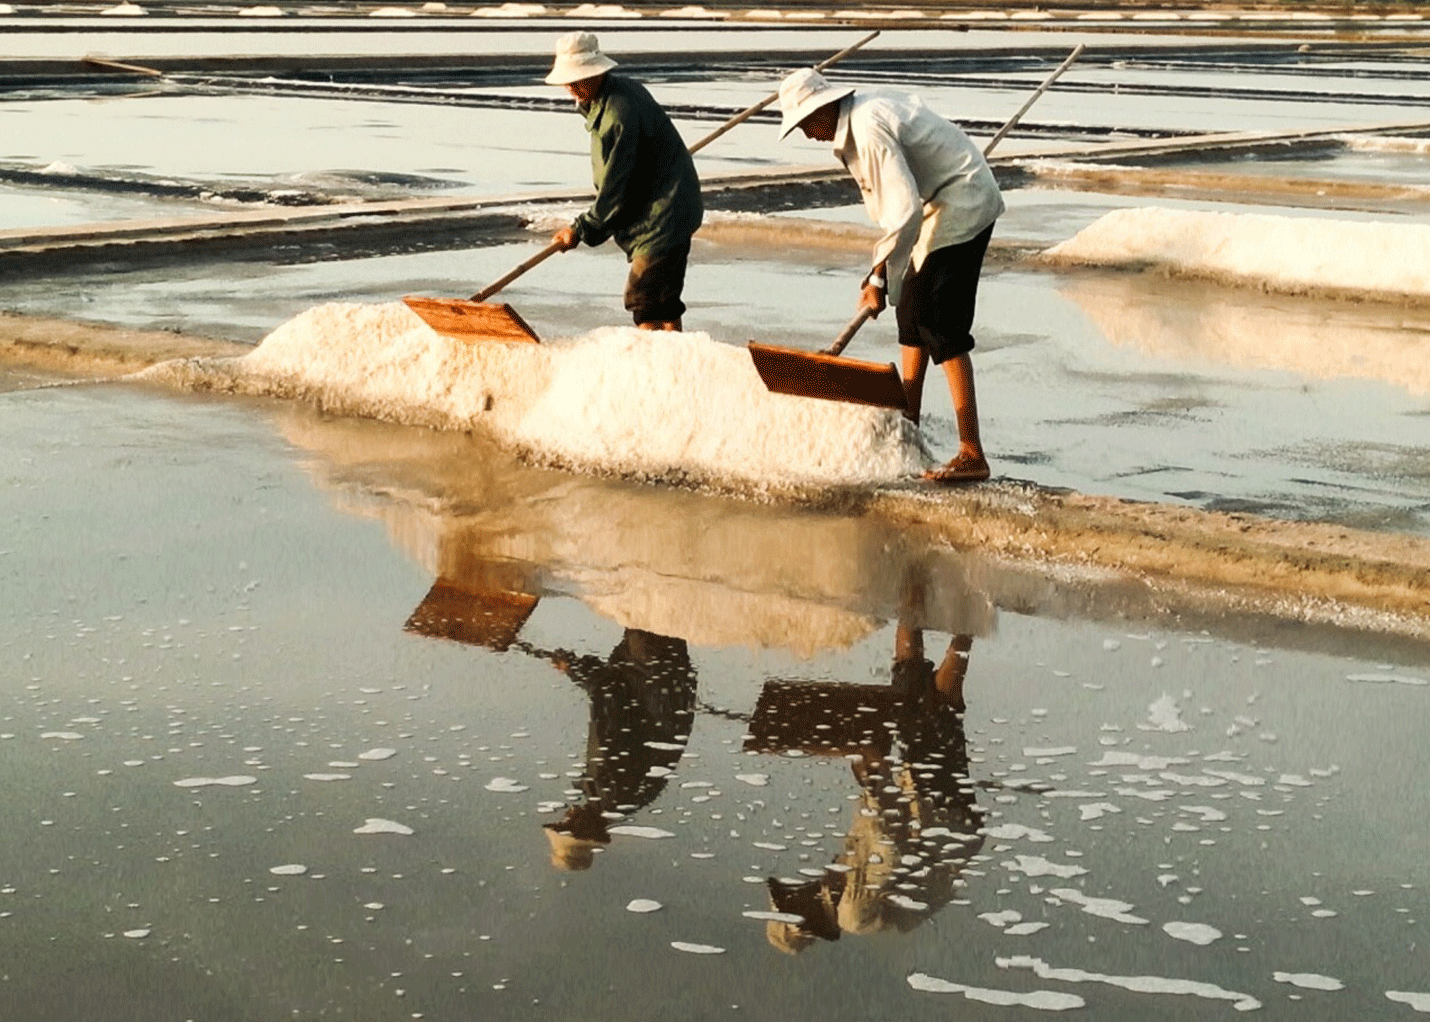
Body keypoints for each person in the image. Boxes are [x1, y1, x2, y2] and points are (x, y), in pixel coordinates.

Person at [777, 67, 1005, 484]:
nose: (808, 134)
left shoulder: (867, 128)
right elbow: (898, 213)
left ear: (825, 107)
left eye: (808, 122)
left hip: (962, 199)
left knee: (937, 318)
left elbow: (904, 213)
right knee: (909, 312)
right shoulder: (855, 127)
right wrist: (881, 276)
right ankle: (909, 423)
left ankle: (972, 452)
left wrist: (879, 276)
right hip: (937, 202)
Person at [545, 31, 703, 332]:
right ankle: (669, 363)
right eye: (568, 80)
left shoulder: (619, 112)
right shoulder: (607, 98)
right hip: (662, 204)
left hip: (664, 212)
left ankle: (654, 365)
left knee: (644, 296)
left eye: (578, 78)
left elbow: (615, 189)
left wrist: (580, 229)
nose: (571, 86)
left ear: (599, 71)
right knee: (663, 301)